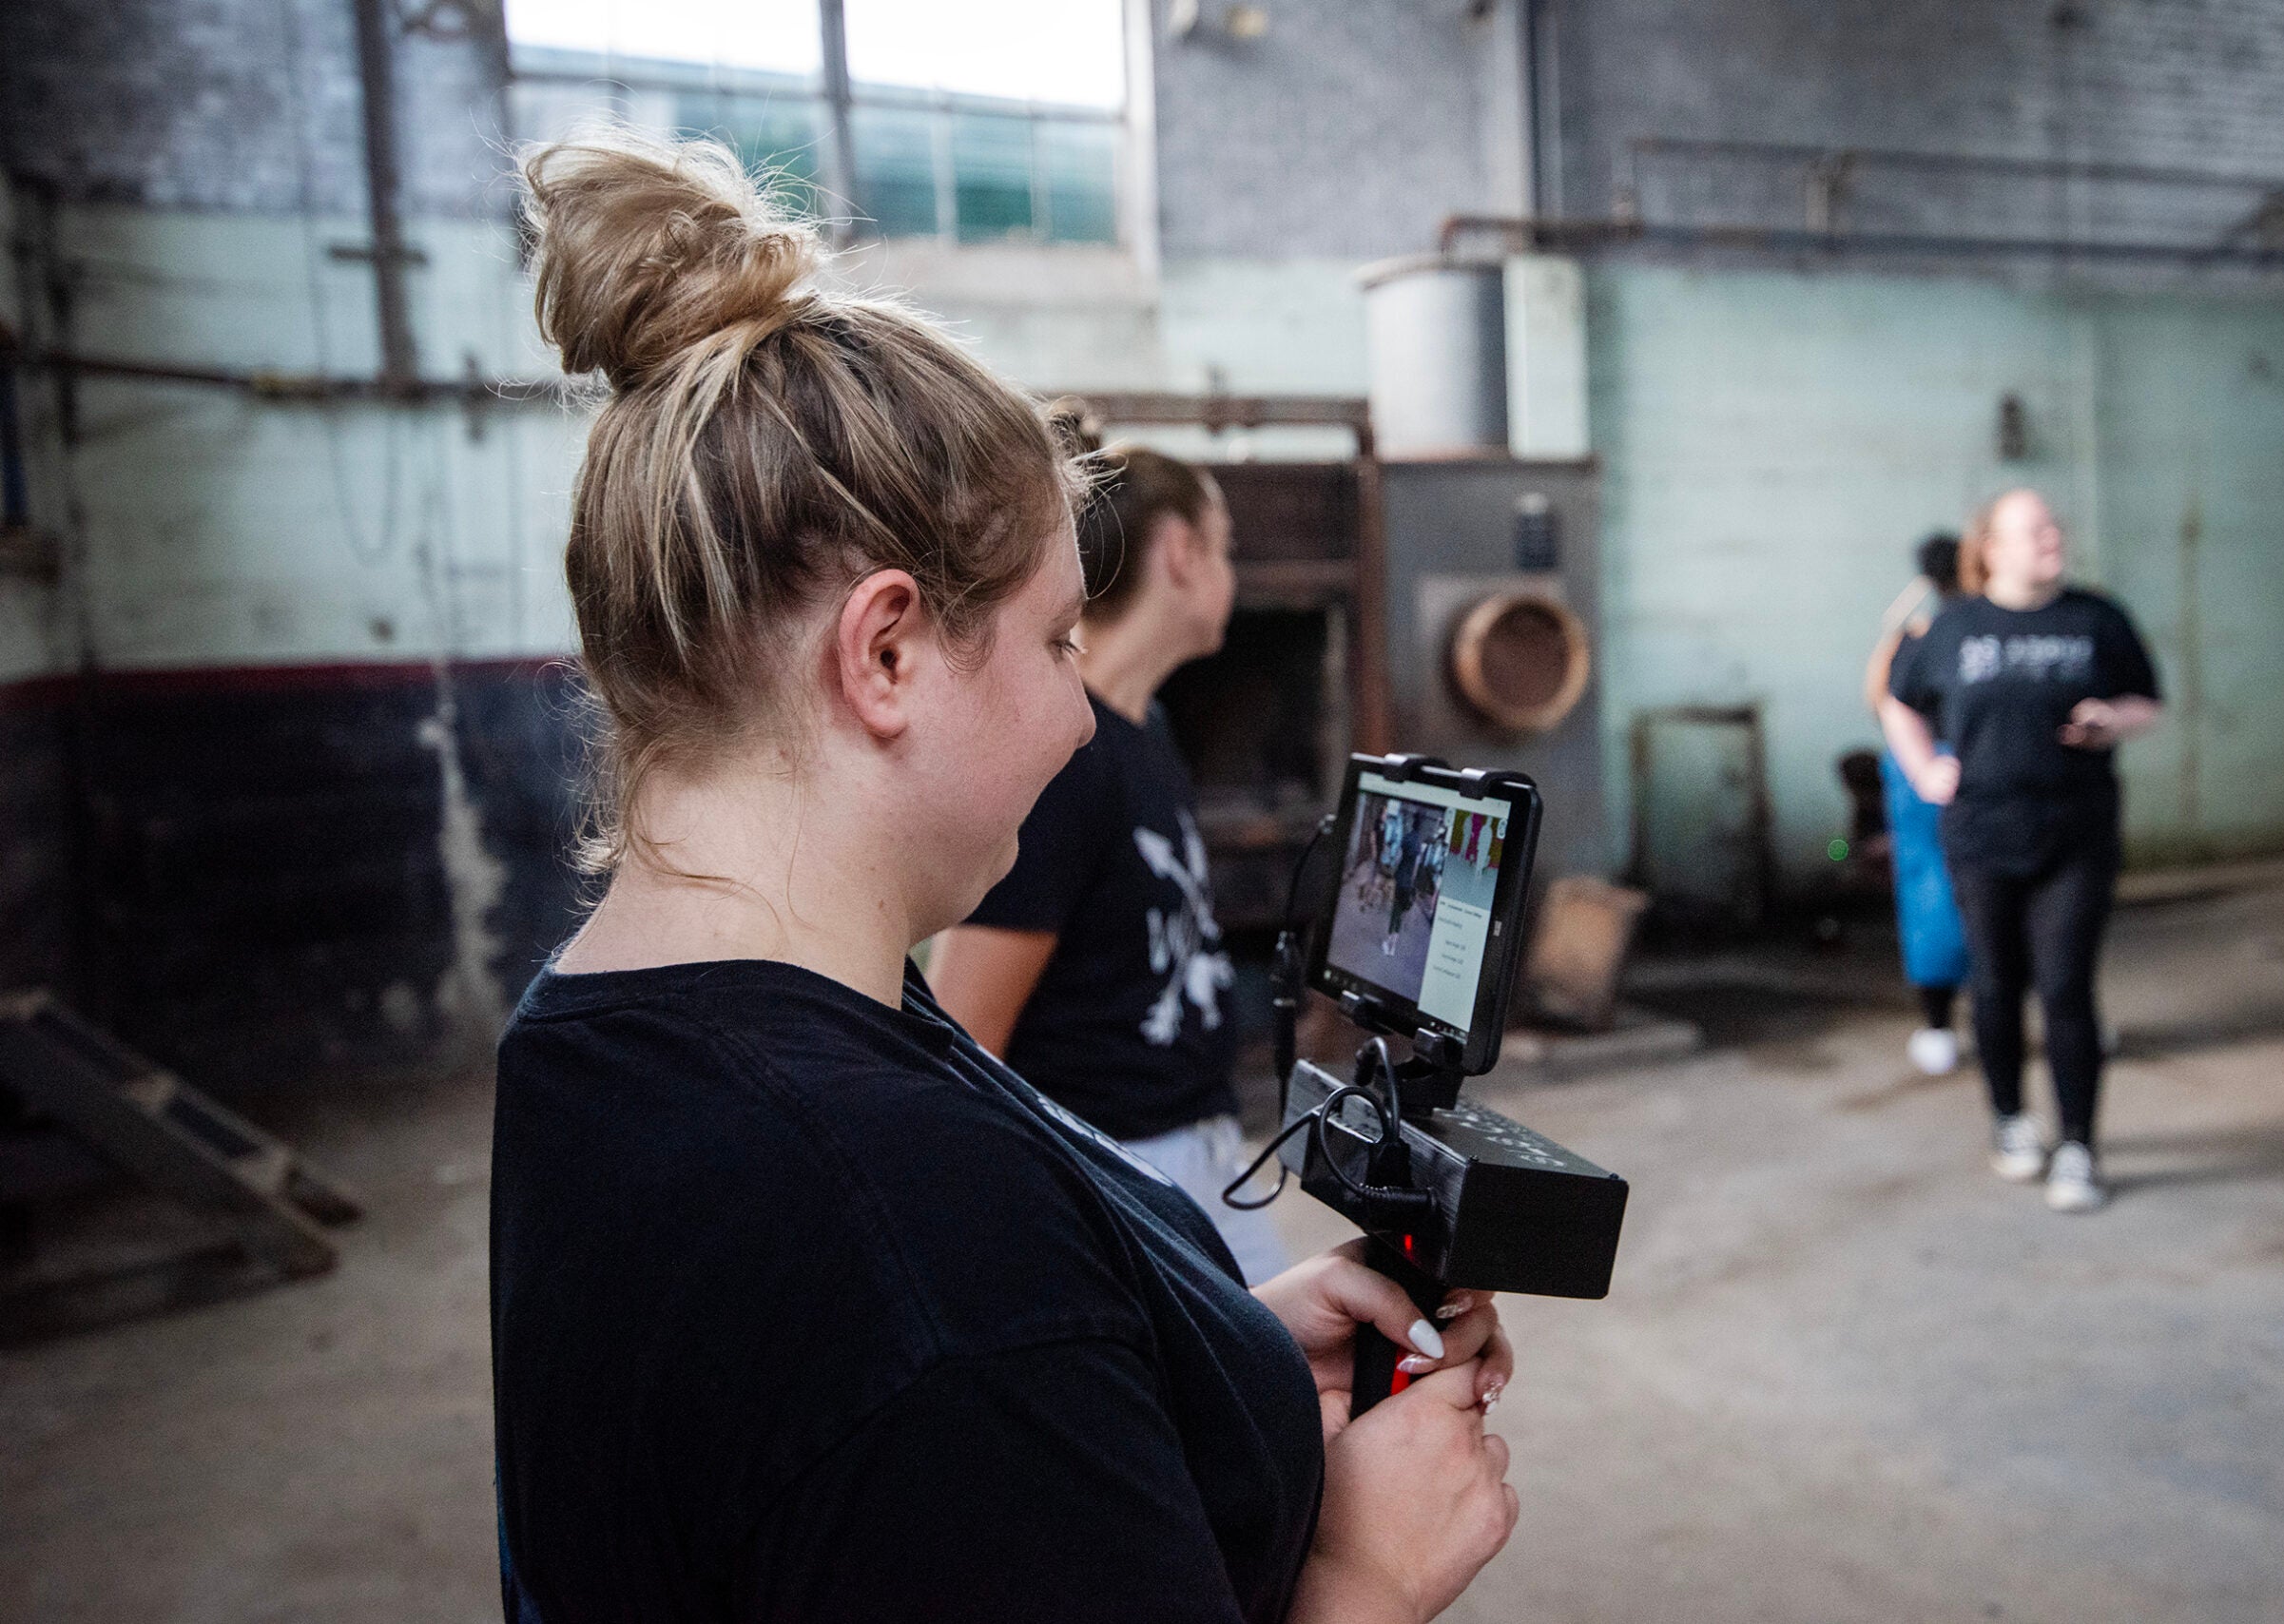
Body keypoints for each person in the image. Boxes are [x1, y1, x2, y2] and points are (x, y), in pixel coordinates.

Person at [491, 133, 1519, 1624]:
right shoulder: (912, 1238)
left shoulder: (601, 1038)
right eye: (1052, 642)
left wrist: (1198, 1356)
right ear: (887, 651)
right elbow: (947, 1338)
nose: (1070, 710)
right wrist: (1361, 1582)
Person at [925, 443, 1290, 1284]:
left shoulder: (1145, 729)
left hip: (1200, 1156)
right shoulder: (1066, 757)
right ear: (1181, 555)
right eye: (1223, 543)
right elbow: (965, 1030)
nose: (1229, 567)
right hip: (1115, 1173)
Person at [1880, 490, 2160, 1213]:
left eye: (2054, 526)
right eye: (2032, 529)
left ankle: (2078, 1149)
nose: (2051, 537)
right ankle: (2010, 1122)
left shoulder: (2098, 617)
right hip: (1981, 837)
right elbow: (1897, 699)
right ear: (1991, 549)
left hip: (2076, 834)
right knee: (1996, 986)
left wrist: (2111, 718)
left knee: (2066, 987)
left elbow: (2147, 702)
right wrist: (1921, 768)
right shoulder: (1952, 626)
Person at [1864, 532, 1970, 1075]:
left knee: (1932, 892)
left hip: (1925, 775)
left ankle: (1939, 1026)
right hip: (1944, 773)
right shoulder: (1939, 635)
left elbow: (1876, 696)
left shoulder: (1912, 636)